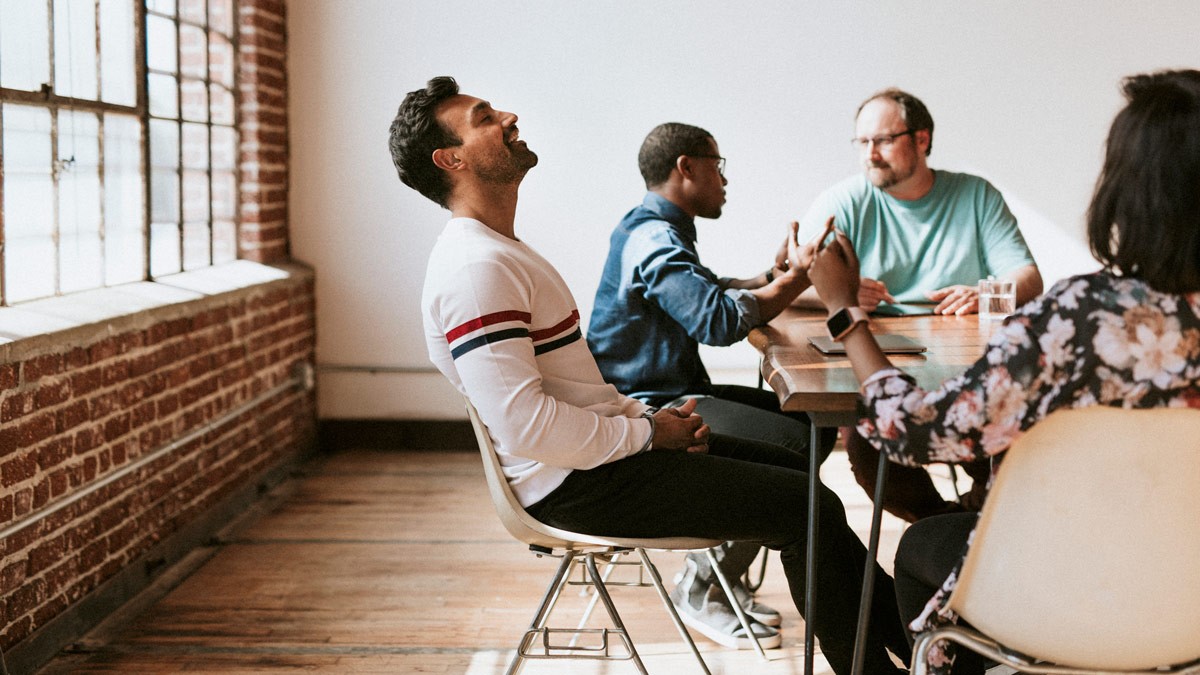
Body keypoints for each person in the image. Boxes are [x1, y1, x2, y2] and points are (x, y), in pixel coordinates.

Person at [390, 76, 912, 674]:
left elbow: (572, 393)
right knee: (805, 506)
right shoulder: (476, 268)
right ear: (451, 159)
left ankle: (920, 646)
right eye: (484, 117)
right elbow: (525, 426)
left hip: (597, 455)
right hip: (574, 483)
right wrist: (647, 434)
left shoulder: (499, 251)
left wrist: (645, 418)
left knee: (802, 480)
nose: (506, 115)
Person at [805, 69, 1200, 674]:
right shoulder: (846, 200)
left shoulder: (1081, 320)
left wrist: (845, 316)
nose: (871, 153)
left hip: (1067, 597)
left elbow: (913, 432)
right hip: (1188, 599)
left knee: (920, 547)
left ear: (1132, 189)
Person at [587, 122, 837, 647]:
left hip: (666, 388)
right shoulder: (654, 236)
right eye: (718, 166)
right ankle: (703, 586)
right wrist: (796, 280)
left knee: (814, 421)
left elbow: (709, 289)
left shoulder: (653, 227)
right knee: (798, 440)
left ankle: (718, 573)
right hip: (649, 406)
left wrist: (775, 274)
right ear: (686, 167)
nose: (724, 180)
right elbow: (716, 321)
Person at [798, 88, 1045, 523]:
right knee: (867, 443)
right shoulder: (844, 201)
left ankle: (981, 516)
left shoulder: (975, 195)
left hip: (967, 362)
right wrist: (841, 294)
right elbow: (792, 282)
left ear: (922, 140)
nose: (870, 154)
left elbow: (1028, 278)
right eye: (862, 143)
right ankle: (942, 526)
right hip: (878, 356)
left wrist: (983, 294)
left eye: (883, 140)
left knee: (1001, 433)